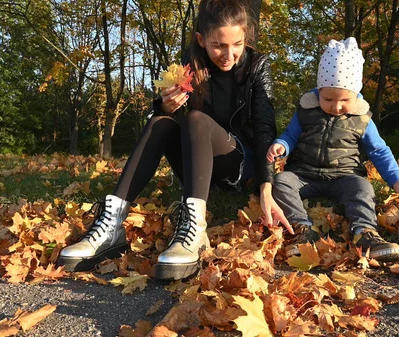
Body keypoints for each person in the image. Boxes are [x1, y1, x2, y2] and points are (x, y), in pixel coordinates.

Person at [58, 0, 291, 280]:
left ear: (245, 38)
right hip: (196, 165)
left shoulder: (257, 65)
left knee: (195, 119)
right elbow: (168, 121)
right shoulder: (189, 64)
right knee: (161, 121)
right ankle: (112, 225)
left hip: (238, 163)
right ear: (201, 40)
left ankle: (195, 228)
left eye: (237, 44)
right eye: (219, 45)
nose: (229, 54)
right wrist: (165, 107)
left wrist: (266, 186)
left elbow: (265, 126)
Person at [266, 37, 399, 262]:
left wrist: (396, 179)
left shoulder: (361, 118)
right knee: (281, 182)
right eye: (328, 99)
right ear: (319, 91)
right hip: (303, 174)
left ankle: (365, 233)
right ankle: (303, 230)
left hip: (343, 176)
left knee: (362, 187)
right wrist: (282, 145)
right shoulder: (306, 110)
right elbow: (291, 135)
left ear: (355, 95)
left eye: (344, 100)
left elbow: (379, 151)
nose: (336, 107)